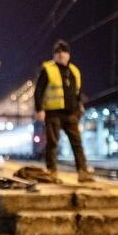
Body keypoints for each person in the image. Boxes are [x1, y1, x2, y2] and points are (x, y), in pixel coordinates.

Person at [34, 39, 94, 183]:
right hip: (53, 113)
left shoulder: (74, 71)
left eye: (64, 52)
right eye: (58, 52)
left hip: (71, 113)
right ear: (54, 55)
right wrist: (39, 109)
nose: (61, 54)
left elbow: (77, 91)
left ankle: (82, 172)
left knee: (77, 143)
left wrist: (80, 106)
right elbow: (39, 91)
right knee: (52, 143)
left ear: (69, 54)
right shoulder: (48, 69)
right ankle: (52, 172)